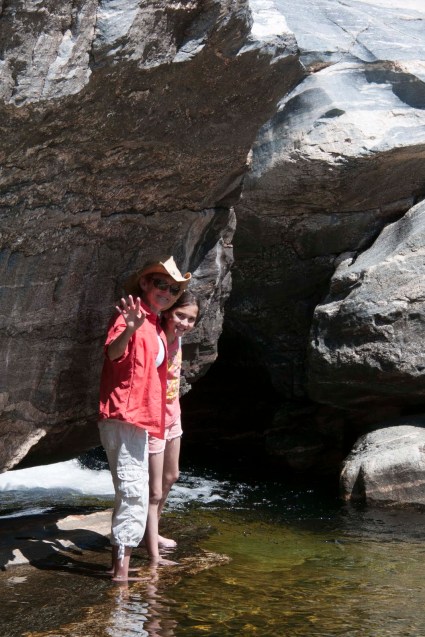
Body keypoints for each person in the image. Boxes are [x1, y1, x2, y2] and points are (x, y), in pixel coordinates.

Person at [98, 256, 191, 582]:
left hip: (143, 418)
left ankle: (119, 567)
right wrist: (130, 328)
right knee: (133, 492)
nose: (167, 292)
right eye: (161, 284)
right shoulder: (131, 317)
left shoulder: (154, 323)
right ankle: (120, 575)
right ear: (145, 284)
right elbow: (113, 354)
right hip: (124, 415)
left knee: (133, 491)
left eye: (174, 289)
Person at [144, 290, 200, 564]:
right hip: (153, 418)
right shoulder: (154, 337)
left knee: (172, 475)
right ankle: (149, 539)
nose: (185, 323)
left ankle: (153, 529)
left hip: (172, 414)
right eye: (180, 315)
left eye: (191, 319)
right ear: (167, 313)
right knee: (154, 488)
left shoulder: (178, 339)